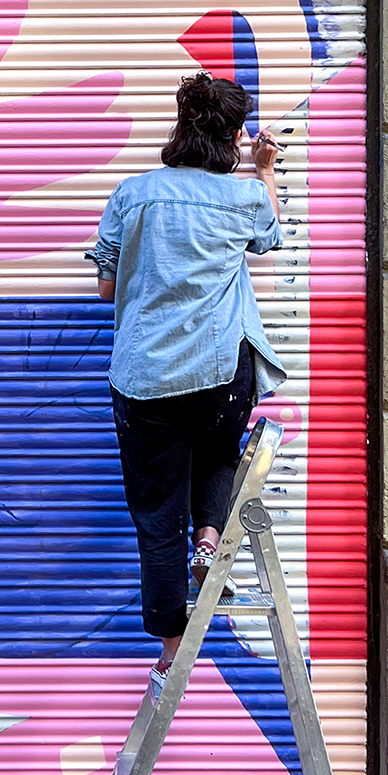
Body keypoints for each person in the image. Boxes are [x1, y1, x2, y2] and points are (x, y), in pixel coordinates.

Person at [92, 72, 287, 704]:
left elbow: (105, 288)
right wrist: (264, 169)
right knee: (219, 453)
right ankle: (209, 543)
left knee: (155, 510)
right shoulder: (243, 198)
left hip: (146, 377)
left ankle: (171, 651)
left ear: (179, 128)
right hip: (219, 375)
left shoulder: (133, 194)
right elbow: (270, 236)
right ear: (233, 137)